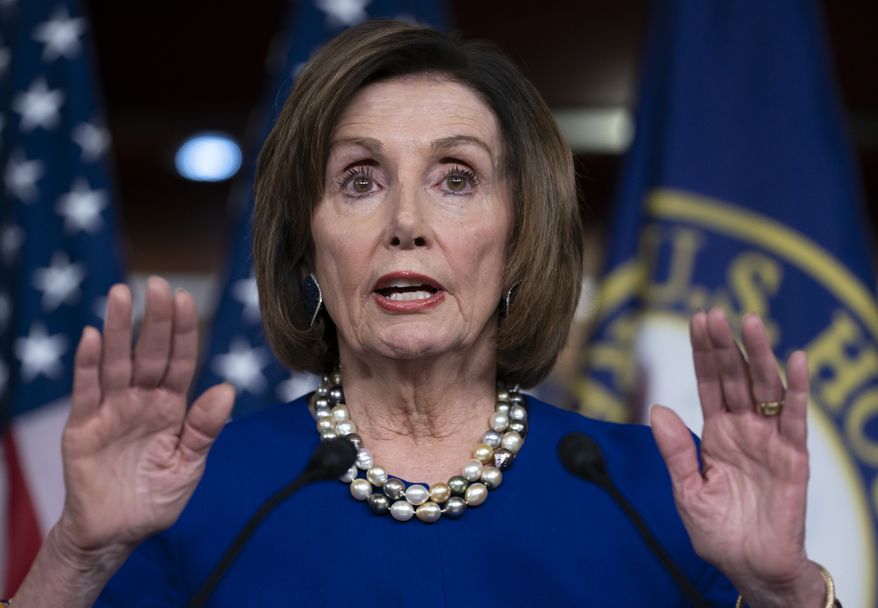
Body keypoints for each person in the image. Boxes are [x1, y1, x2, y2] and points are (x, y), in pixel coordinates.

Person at [9, 20, 837, 607]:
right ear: (309, 243)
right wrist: (77, 558)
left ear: (519, 237)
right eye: (359, 181)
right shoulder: (187, 496)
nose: (405, 221)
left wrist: (787, 592)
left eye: (457, 178)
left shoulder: (659, 492)